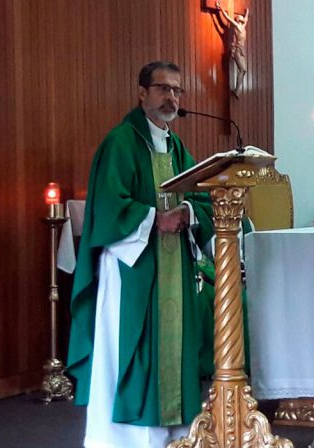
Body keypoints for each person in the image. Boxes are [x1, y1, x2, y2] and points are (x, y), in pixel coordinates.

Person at [67, 61, 216, 447]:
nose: (171, 97)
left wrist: (188, 213)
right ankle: (124, 438)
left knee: (173, 346)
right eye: (163, 88)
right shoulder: (121, 142)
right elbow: (109, 205)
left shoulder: (177, 145)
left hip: (173, 266)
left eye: (177, 90)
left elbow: (197, 197)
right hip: (131, 268)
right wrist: (154, 220)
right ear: (142, 92)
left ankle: (174, 431)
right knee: (130, 347)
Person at [216, 1, 249, 98]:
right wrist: (220, 7)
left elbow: (246, 19)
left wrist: (247, 12)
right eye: (241, 17)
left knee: (244, 70)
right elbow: (227, 17)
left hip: (241, 51)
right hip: (237, 50)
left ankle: (237, 90)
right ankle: (237, 90)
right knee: (242, 69)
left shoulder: (242, 27)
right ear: (238, 20)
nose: (242, 18)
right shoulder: (237, 26)